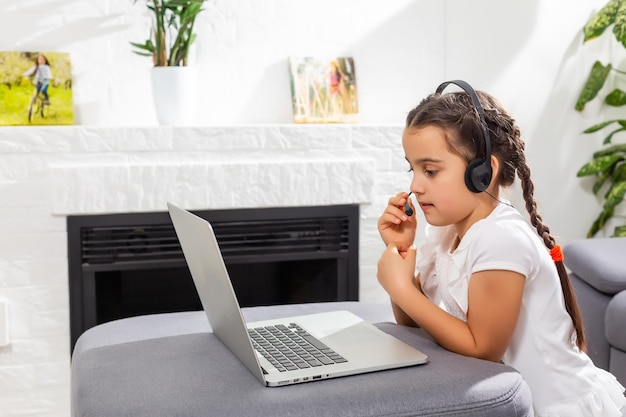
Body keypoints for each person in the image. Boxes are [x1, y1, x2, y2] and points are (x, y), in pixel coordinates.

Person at [376, 80, 626, 417]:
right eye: (413, 168)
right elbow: (417, 326)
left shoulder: (500, 239)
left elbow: (482, 349)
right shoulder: (448, 233)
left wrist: (403, 288)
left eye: (431, 170)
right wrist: (401, 251)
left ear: (483, 172)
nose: (414, 186)